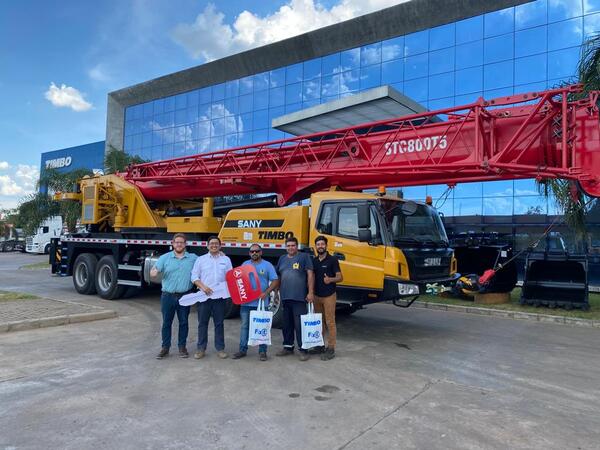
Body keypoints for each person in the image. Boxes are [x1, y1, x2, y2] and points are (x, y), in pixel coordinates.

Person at [151, 233, 198, 359]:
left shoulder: (193, 258)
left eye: (181, 242)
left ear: (185, 244)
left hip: (185, 296)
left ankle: (182, 347)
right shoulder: (165, 258)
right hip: (168, 296)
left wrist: (220, 254)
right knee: (167, 322)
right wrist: (154, 272)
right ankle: (165, 348)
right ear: (172, 244)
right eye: (176, 242)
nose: (179, 244)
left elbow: (206, 260)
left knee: (184, 322)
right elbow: (154, 270)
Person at [232, 244, 279, 362]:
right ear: (249, 253)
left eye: (257, 251)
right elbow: (239, 282)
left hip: (261, 303)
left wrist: (267, 293)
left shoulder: (267, 265)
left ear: (261, 252)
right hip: (246, 303)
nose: (254, 253)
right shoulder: (245, 264)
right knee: (244, 327)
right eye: (252, 251)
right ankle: (242, 350)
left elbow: (275, 280)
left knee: (262, 327)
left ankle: (262, 351)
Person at [190, 236, 232, 359]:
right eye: (211, 244)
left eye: (216, 244)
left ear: (220, 246)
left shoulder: (226, 260)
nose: (214, 245)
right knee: (202, 323)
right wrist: (203, 287)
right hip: (204, 297)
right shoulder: (201, 260)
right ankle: (201, 349)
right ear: (207, 246)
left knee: (219, 323)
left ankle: (220, 349)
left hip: (219, 298)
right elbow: (194, 276)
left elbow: (230, 277)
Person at [275, 236, 314, 361]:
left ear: (297, 246)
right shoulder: (282, 258)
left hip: (299, 298)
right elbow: (278, 277)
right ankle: (288, 347)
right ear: (285, 247)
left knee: (299, 325)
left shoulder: (304, 257)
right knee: (286, 324)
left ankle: (303, 350)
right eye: (288, 246)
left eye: (293, 245)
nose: (291, 248)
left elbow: (310, 274)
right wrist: (276, 292)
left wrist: (311, 292)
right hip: (285, 297)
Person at [311, 235, 343, 360]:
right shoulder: (314, 261)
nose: (320, 246)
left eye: (322, 244)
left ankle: (331, 348)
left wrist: (330, 279)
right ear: (316, 247)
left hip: (329, 295)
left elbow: (340, 277)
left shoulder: (333, 260)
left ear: (326, 246)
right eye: (318, 244)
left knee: (330, 322)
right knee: (320, 322)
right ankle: (320, 345)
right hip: (317, 296)